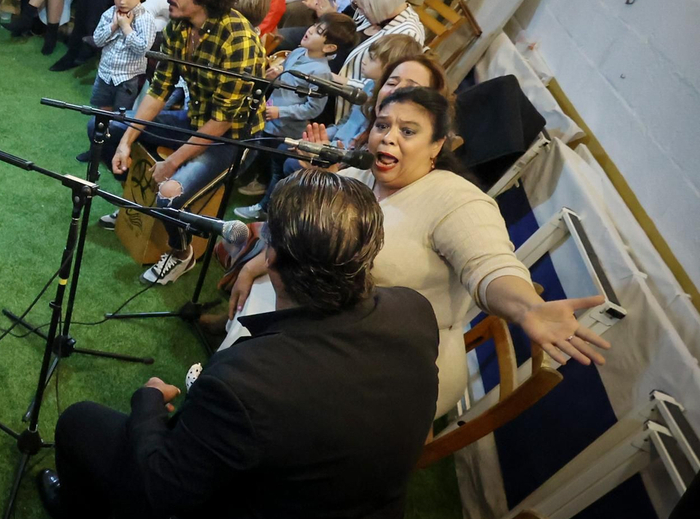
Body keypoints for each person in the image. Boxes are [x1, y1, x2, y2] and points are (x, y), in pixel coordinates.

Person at [40, 170, 440, 519]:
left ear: (272, 258)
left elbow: (165, 487)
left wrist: (148, 405)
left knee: (80, 424)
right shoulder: (414, 312)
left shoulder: (248, 382)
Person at [235, 86, 612, 418]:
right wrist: (254, 267)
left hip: (390, 364)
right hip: (324, 330)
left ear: (437, 146)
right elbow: (296, 243)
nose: (388, 138)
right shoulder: (359, 176)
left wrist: (527, 307)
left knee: (262, 394)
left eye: (408, 131)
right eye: (383, 125)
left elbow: (489, 265)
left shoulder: (458, 200)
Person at [101, 0, 261, 286]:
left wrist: (172, 162)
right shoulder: (179, 25)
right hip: (196, 118)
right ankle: (137, 203)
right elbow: (160, 87)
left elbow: (222, 121)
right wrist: (126, 141)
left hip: (231, 138)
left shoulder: (239, 38)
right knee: (105, 131)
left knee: (169, 192)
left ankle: (180, 252)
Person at [235, 30, 419, 222]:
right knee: (284, 149)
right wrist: (317, 137)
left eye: (372, 58)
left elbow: (358, 144)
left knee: (290, 161)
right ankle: (270, 203)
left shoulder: (386, 106)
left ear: (390, 69)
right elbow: (344, 123)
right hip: (335, 141)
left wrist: (328, 150)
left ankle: (278, 209)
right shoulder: (368, 88)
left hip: (344, 155)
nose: (364, 59)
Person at [241, 14, 353, 197]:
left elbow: (314, 108)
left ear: (329, 47)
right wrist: (276, 76)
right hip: (270, 115)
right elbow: (288, 81)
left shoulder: (320, 72)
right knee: (261, 148)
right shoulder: (298, 52)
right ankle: (256, 179)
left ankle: (264, 192)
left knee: (274, 160)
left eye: (319, 31)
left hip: (286, 127)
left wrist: (280, 112)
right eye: (315, 25)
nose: (310, 30)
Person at [80, 0, 164, 159]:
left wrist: (126, 28)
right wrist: (113, 26)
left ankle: (112, 153)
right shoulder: (110, 13)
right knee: (101, 115)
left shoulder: (145, 19)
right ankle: (95, 150)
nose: (122, 1)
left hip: (127, 79)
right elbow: (98, 40)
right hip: (105, 74)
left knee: (119, 119)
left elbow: (143, 49)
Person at [337, 0, 425, 84]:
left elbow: (387, 86)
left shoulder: (407, 34)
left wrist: (333, 79)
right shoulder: (376, 15)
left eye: (365, 8)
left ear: (383, 6)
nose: (360, 13)